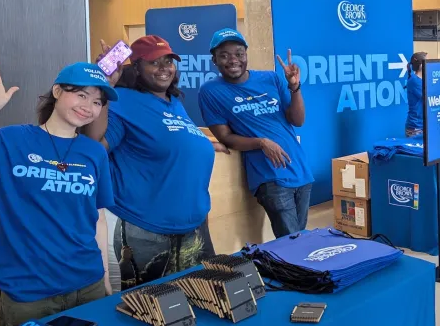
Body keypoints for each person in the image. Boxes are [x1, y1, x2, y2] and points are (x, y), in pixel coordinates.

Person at [0, 64, 117, 326]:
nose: (89, 106)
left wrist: (105, 277)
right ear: (58, 91)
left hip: (87, 285)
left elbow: (97, 218)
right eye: (81, 95)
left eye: (97, 101)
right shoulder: (10, 141)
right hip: (29, 293)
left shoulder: (93, 153)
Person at [82, 36, 216, 288]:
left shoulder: (173, 101)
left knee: (199, 304)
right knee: (151, 311)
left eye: (168, 60)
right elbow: (94, 144)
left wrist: (203, 144)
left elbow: (172, 141)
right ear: (136, 67)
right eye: (154, 62)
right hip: (147, 230)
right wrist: (102, 87)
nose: (164, 67)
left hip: (193, 227)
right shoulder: (122, 99)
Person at [198, 28, 313, 238]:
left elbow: (298, 120)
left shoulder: (271, 78)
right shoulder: (210, 92)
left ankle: (298, 271)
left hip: (300, 169)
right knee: (292, 242)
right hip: (270, 177)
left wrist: (294, 87)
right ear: (214, 60)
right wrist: (261, 142)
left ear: (246, 55)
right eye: (224, 55)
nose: (233, 60)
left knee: (300, 239)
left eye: (239, 54)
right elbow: (225, 137)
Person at [406, 52, 428, 137]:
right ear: (421, 65)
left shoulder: (424, 79)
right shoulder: (414, 81)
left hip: (423, 126)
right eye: (427, 61)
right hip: (416, 127)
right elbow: (429, 98)